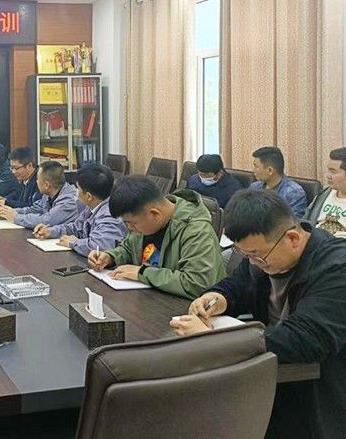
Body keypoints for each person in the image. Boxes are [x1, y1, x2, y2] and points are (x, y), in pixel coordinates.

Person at [170, 190, 346, 439]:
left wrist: (217, 339)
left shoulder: (337, 267)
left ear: (293, 238)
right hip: (272, 379)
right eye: (246, 255)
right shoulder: (265, 251)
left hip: (322, 391)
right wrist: (217, 298)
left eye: (256, 255)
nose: (252, 262)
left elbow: (306, 339)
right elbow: (237, 284)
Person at [89, 175, 225, 299]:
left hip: (185, 309)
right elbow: (129, 248)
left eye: (132, 223)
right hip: (148, 300)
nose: (130, 228)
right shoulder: (144, 222)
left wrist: (142, 273)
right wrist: (110, 257)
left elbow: (197, 283)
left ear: (154, 214)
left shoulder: (196, 230)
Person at [32, 163, 127, 256]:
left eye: (78, 189)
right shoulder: (91, 207)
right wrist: (51, 231)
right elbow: (76, 228)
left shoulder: (110, 214)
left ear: (89, 196)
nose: (75, 191)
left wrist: (74, 242)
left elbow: (100, 246)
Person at [0, 160, 81, 229]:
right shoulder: (49, 194)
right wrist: (6, 211)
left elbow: (47, 220)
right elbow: (34, 209)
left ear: (46, 185)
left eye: (38, 179)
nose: (36, 182)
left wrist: (16, 217)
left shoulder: (69, 201)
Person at [250, 146, 307, 218]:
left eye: (256, 166)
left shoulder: (294, 193)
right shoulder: (255, 187)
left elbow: (295, 222)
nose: (253, 170)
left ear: (270, 170)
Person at [305, 147, 346, 238]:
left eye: (333, 172)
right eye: (328, 170)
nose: (328, 176)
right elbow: (305, 220)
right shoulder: (324, 194)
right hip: (315, 241)